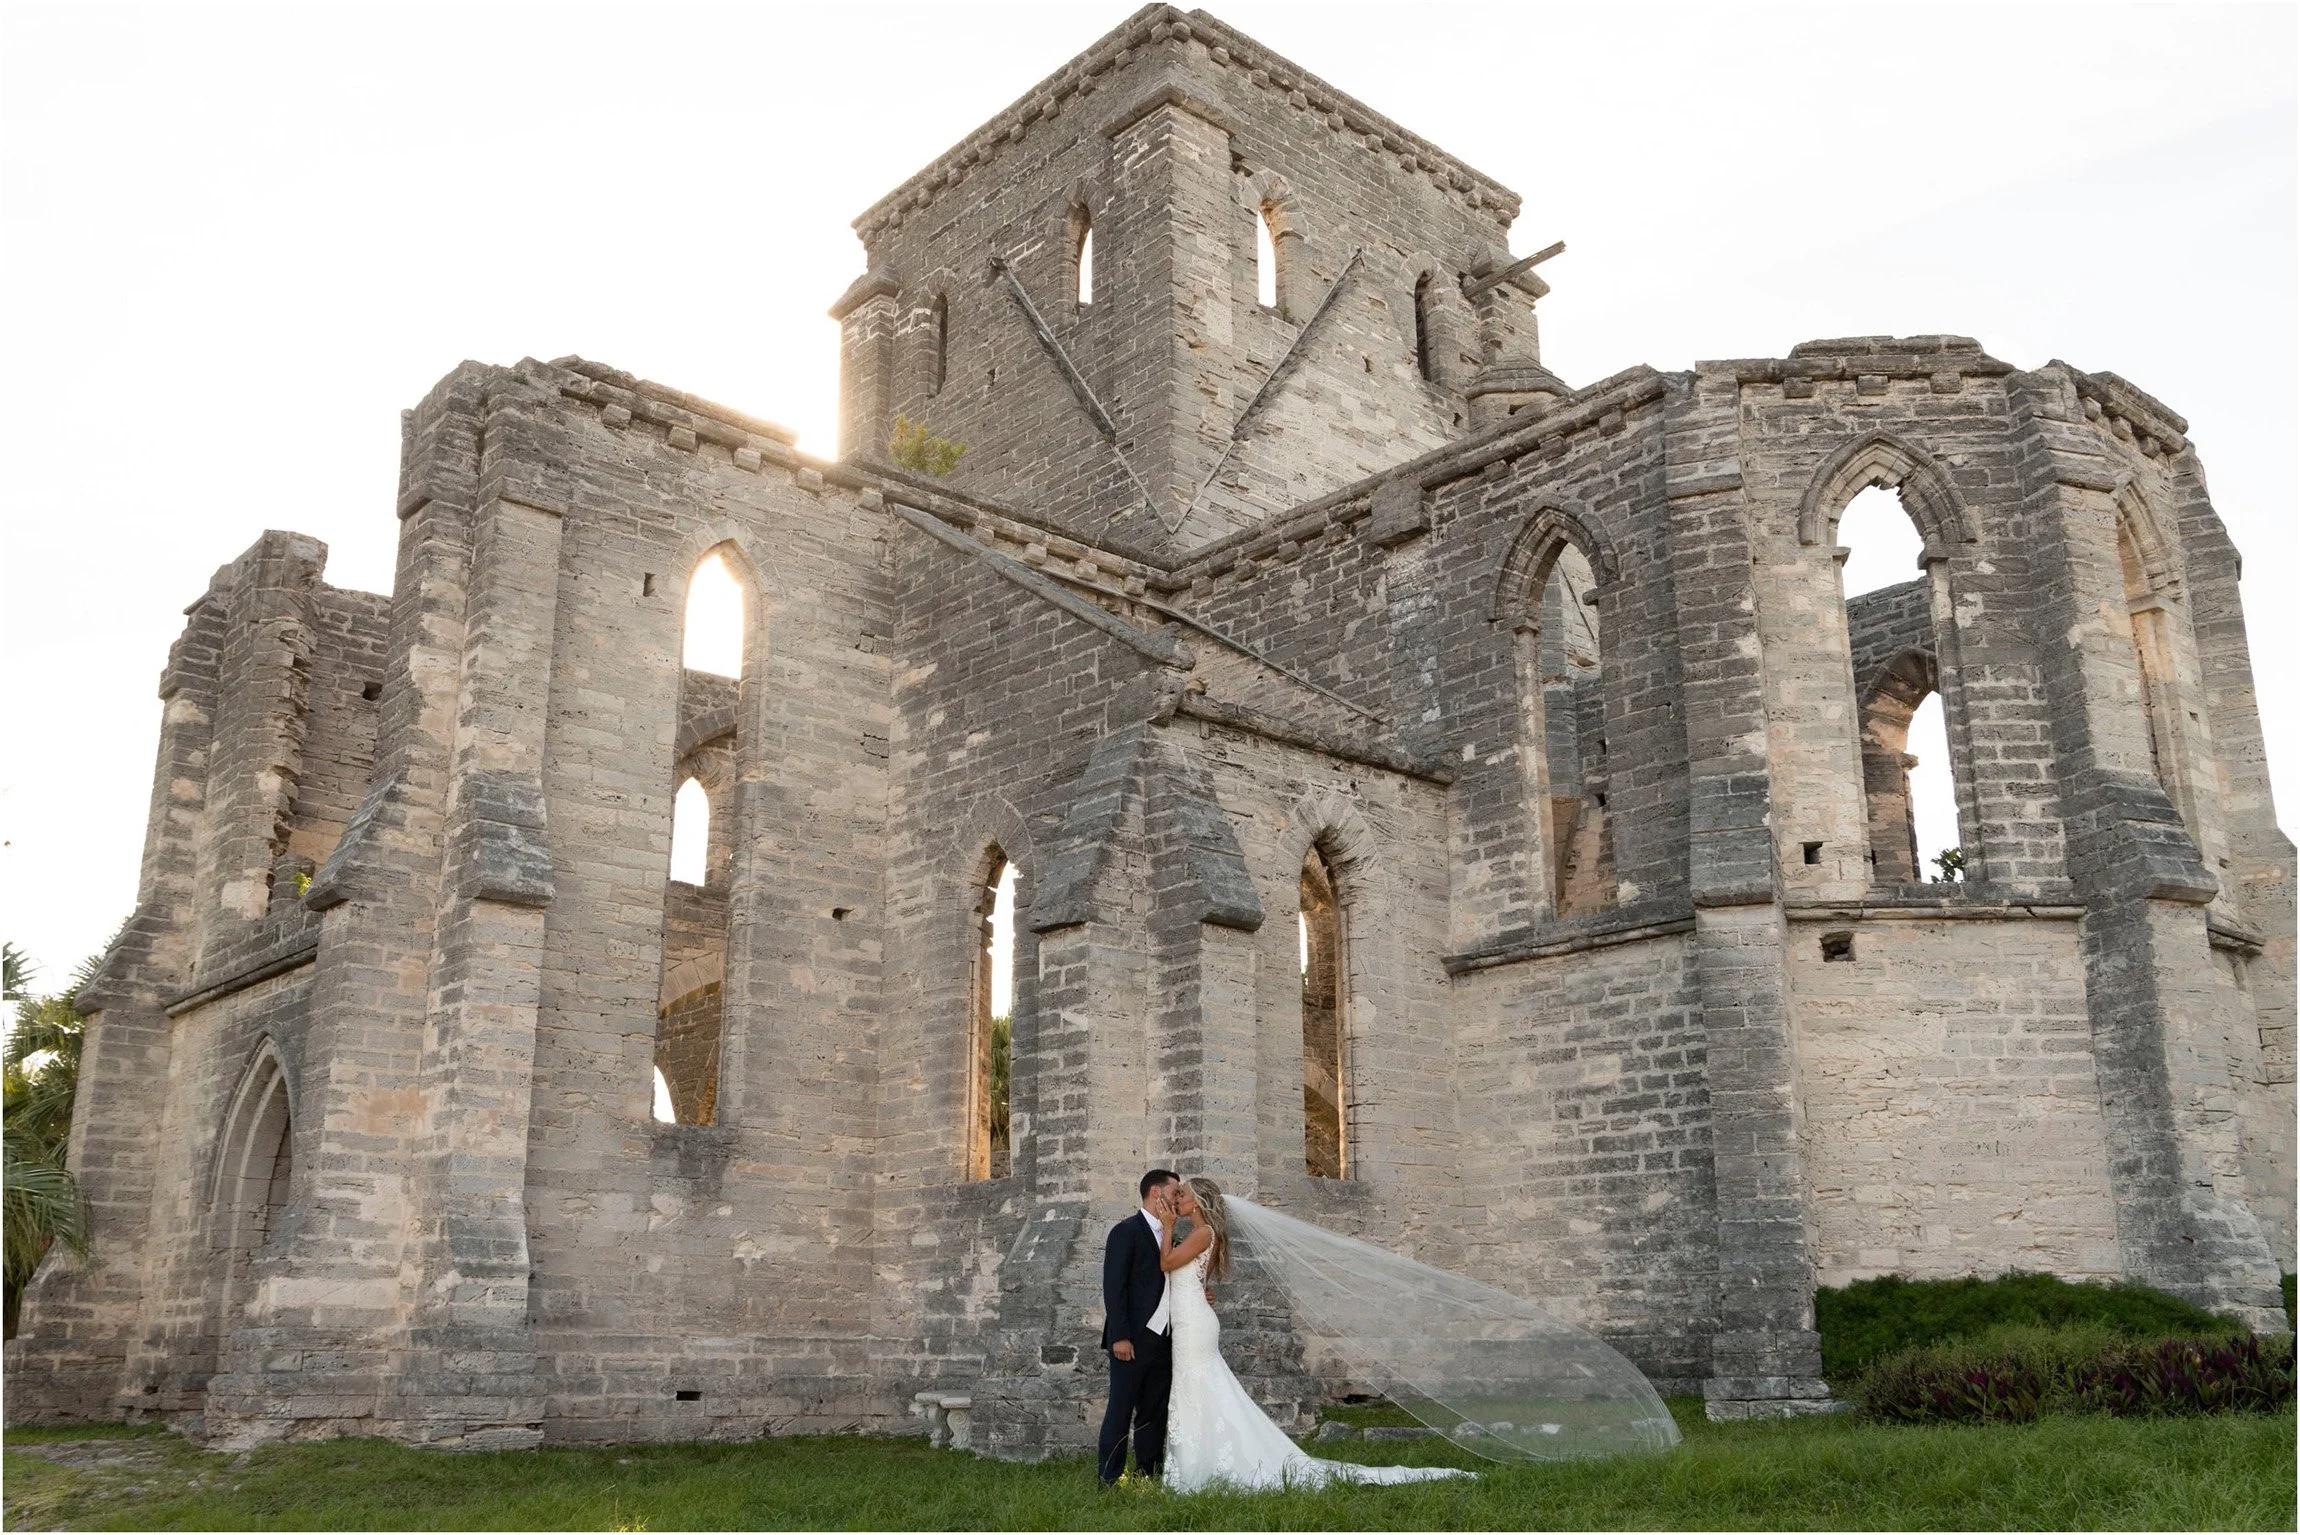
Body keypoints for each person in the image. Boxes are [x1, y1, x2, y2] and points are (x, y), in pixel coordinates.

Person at [1156, 1175, 1470, 1492]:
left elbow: (1167, 1263)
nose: (1176, 1200)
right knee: (1197, 1389)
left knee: (1199, 1386)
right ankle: (1199, 1461)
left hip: (1194, 1324)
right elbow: (1192, 1280)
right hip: (1191, 1319)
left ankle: (1209, 1464)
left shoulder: (1203, 1233)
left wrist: (1168, 1226)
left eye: (1181, 1194)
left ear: (1197, 1200)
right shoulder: (1201, 1235)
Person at [1097, 1168, 1179, 1485]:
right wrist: (1119, 1336)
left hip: (1164, 1339)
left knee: (1154, 1411)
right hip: (1130, 1340)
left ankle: (1147, 1474)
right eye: (1175, 1192)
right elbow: (1114, 1287)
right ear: (1156, 1194)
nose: (1178, 1198)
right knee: (1120, 1410)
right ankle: (1109, 1478)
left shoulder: (1175, 1237)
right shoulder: (1125, 1231)